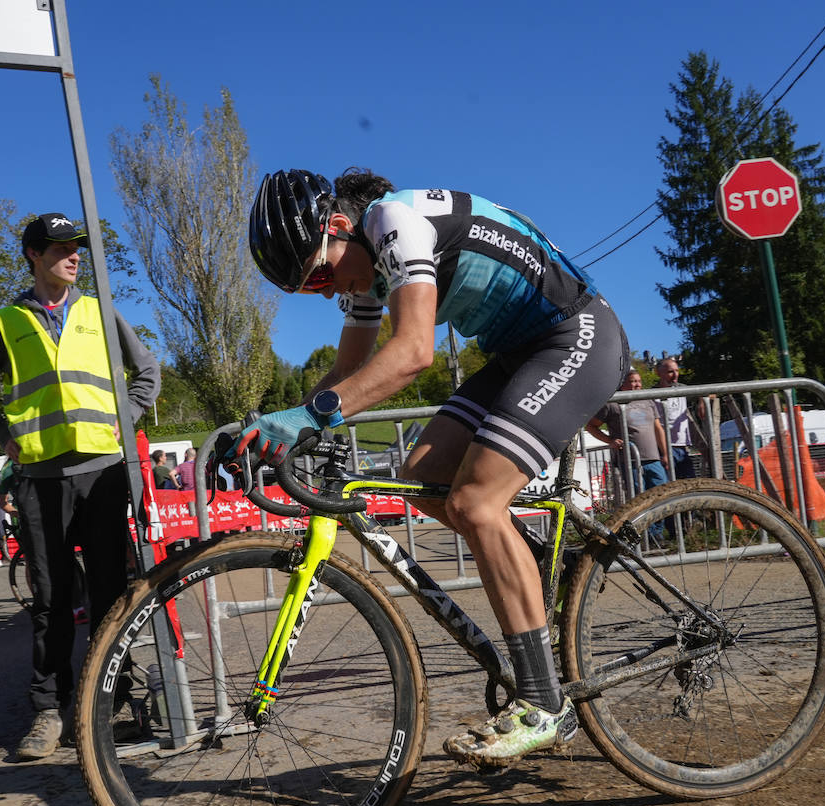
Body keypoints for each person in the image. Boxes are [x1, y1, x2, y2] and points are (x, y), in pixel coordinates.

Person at [241, 170, 629, 768]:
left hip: (572, 334)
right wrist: (279, 423)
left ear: (339, 227)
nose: (322, 293)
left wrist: (310, 417)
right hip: (520, 353)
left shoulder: (391, 223)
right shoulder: (365, 268)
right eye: (305, 291)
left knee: (476, 502)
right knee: (424, 478)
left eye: (318, 275)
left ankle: (544, 705)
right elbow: (344, 380)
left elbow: (413, 353)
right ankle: (530, 571)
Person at [0, 212, 160, 760]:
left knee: (109, 592)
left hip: (102, 472)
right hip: (41, 478)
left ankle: (104, 700)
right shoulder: (3, 322)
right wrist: (3, 435)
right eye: (60, 248)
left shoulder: (99, 311)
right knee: (50, 599)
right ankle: (48, 710)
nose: (73, 255)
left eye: (77, 247)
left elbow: (147, 372)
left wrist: (129, 416)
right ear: (33, 255)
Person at [586, 369, 670, 500]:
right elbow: (591, 426)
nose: (637, 384)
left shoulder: (647, 400)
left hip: (653, 459)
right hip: (630, 461)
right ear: (622, 384)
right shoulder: (612, 403)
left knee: (662, 496)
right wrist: (610, 441)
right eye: (633, 381)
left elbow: (658, 428)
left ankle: (662, 521)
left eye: (639, 381)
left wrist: (665, 454)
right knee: (639, 499)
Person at [654, 357, 696, 479]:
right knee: (669, 484)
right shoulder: (651, 394)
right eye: (670, 372)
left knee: (689, 482)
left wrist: (702, 402)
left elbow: (709, 392)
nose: (675, 375)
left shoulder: (682, 388)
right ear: (659, 373)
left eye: (677, 371)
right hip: (663, 447)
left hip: (682, 445)